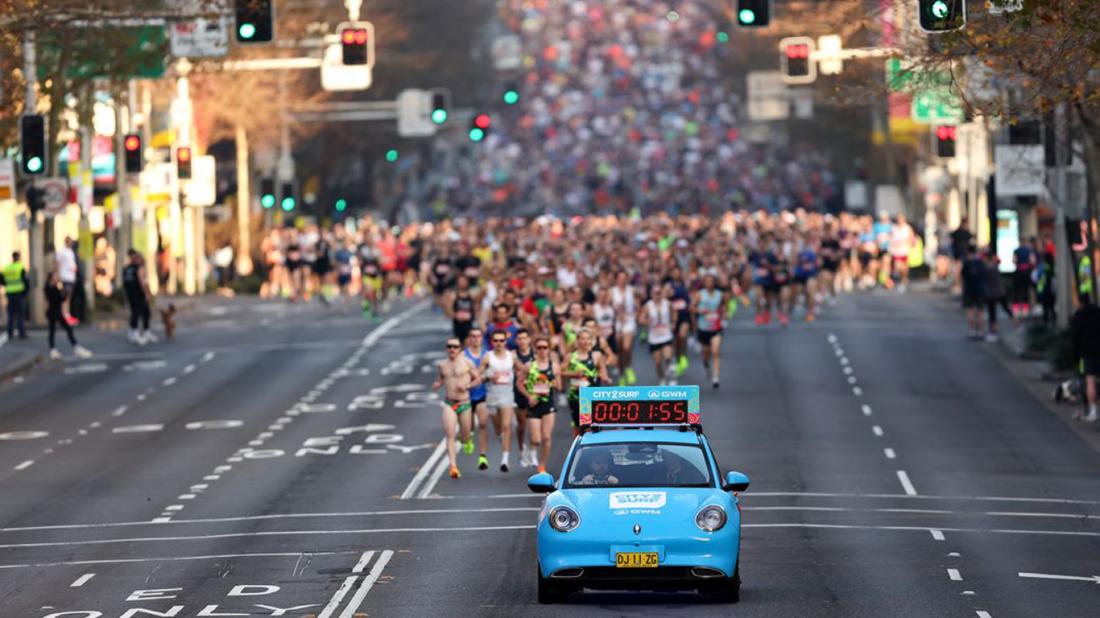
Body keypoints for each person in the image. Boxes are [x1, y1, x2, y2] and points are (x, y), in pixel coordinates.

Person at [433, 337, 480, 479]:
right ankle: (453, 466)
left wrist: (466, 386)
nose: (452, 349)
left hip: (464, 403)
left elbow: (478, 379)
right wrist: (438, 384)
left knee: (465, 435)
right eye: (449, 346)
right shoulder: (442, 365)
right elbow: (442, 378)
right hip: (449, 403)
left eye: (455, 346)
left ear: (460, 348)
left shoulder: (467, 362)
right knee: (449, 434)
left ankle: (466, 438)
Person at [480, 330, 526, 472]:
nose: (499, 343)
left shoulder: (511, 356)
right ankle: (501, 437)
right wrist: (488, 377)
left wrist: (521, 378)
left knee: (507, 426)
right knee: (499, 428)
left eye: (502, 341)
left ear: (506, 342)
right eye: (496, 341)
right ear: (492, 342)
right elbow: (478, 374)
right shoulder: (488, 357)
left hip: (507, 395)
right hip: (492, 396)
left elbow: (523, 369)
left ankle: (505, 460)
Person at [518, 335, 560, 473]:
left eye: (545, 347)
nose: (542, 350)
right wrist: (529, 396)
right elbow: (518, 383)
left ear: (549, 349)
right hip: (533, 404)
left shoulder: (553, 366)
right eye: (539, 347)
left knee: (546, 436)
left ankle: (542, 465)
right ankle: (531, 448)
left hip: (548, 404)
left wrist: (552, 384)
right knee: (536, 439)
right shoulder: (529, 366)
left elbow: (559, 386)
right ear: (535, 349)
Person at [562, 328, 610, 435]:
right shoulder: (571, 357)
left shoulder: (596, 355)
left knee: (593, 425)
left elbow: (602, 371)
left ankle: (593, 448)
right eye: (582, 339)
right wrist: (573, 374)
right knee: (580, 427)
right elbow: (560, 372)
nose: (585, 341)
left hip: (592, 395)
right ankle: (579, 449)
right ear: (577, 341)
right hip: (576, 395)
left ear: (592, 341)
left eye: (588, 339)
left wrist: (606, 378)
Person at [44, 271, 91, 359]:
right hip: (53, 312)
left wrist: (65, 292)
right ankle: (54, 349)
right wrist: (64, 292)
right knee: (53, 331)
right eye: (55, 276)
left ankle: (73, 346)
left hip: (57, 311)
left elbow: (62, 298)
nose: (57, 278)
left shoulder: (55, 287)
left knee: (66, 329)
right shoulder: (50, 287)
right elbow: (58, 298)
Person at [463, 327, 492, 471]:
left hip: (482, 395)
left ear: (482, 338)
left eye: (478, 336)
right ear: (469, 338)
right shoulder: (463, 356)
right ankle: (467, 439)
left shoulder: (487, 355)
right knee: (467, 429)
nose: (475, 339)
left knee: (483, 423)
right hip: (465, 397)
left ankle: (482, 456)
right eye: (473, 336)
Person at [1071, 293, 1100, 423]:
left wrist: (1075, 356)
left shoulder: (1078, 315)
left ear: (1079, 301)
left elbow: (1075, 338)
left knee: (1090, 381)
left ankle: (1093, 411)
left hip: (1087, 353)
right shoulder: (1098, 312)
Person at [692, 274, 725, 389]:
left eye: (711, 281)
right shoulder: (700, 294)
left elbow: (723, 307)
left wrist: (723, 316)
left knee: (715, 352)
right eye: (707, 281)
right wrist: (699, 310)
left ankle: (716, 378)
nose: (709, 283)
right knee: (706, 355)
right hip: (703, 328)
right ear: (704, 283)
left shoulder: (720, 295)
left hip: (716, 327)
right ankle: (707, 366)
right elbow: (691, 308)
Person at [639, 282, 676, 384]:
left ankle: (672, 378)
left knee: (668, 357)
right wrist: (647, 321)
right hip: (654, 338)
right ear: (652, 294)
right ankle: (662, 378)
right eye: (655, 293)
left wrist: (673, 323)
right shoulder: (648, 306)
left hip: (666, 335)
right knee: (658, 362)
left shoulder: (667, 304)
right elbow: (641, 319)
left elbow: (674, 313)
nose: (657, 295)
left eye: (659, 293)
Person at [122, 249, 155, 345]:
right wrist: (147, 293)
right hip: (138, 293)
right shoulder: (139, 268)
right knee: (141, 312)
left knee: (136, 312)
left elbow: (125, 282)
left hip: (130, 293)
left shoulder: (126, 268)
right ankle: (137, 333)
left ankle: (135, 332)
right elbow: (142, 281)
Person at [512, 328, 534, 468]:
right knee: (522, 424)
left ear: (529, 339)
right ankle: (521, 448)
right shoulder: (513, 355)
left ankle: (533, 451)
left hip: (534, 392)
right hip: (518, 391)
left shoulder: (536, 353)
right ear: (516, 341)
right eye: (519, 338)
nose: (522, 341)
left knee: (534, 424)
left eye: (524, 338)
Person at [960, 244, 986, 339]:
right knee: (980, 312)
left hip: (968, 290)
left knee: (970, 311)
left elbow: (962, 277)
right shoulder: (980, 263)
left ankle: (971, 331)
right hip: (980, 290)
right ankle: (980, 331)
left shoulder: (966, 263)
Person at [2, 251, 29, 340]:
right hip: (19, 294)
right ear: (18, 257)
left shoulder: (7, 268)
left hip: (10, 293)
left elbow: (1, 279)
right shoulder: (20, 267)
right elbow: (26, 280)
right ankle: (21, 332)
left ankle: (10, 333)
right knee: (20, 313)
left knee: (11, 313)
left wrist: (7, 285)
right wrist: (25, 292)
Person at [56, 236, 79, 325]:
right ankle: (64, 316)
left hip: (71, 277)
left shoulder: (71, 252)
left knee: (68, 298)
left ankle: (67, 315)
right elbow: (58, 263)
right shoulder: (61, 252)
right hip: (65, 277)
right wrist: (58, 275)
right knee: (65, 298)